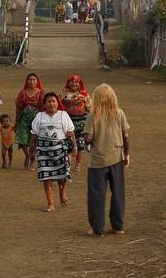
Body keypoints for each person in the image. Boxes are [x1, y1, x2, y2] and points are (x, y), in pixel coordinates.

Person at [84, 83, 130, 236]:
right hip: (116, 157)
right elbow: (126, 136)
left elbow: (88, 138)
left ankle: (97, 227)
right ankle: (118, 226)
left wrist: (87, 139)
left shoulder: (93, 115)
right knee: (118, 192)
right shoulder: (119, 113)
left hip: (98, 160)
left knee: (97, 194)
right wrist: (127, 154)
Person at [31, 93, 76, 212]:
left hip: (60, 150)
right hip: (43, 151)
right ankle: (50, 203)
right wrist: (32, 151)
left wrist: (73, 150)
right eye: (49, 101)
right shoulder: (39, 116)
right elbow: (34, 135)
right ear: (44, 104)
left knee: (62, 176)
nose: (51, 103)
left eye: (54, 101)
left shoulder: (63, 115)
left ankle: (62, 192)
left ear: (57, 103)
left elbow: (70, 133)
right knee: (47, 177)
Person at [59, 75, 91, 173]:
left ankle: (78, 163)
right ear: (68, 83)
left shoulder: (84, 94)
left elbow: (89, 108)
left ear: (79, 84)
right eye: (72, 81)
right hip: (67, 120)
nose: (74, 83)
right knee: (68, 140)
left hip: (81, 121)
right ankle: (68, 161)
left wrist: (87, 103)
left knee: (80, 141)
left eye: (76, 82)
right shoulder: (63, 93)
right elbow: (57, 104)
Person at [13, 74, 44, 170]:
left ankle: (32, 160)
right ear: (26, 81)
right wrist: (16, 120)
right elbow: (18, 107)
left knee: (34, 141)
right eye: (29, 80)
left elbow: (43, 108)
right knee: (22, 139)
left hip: (36, 119)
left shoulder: (41, 93)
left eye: (34, 79)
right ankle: (27, 155)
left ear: (37, 81)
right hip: (24, 119)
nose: (32, 82)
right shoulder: (22, 93)